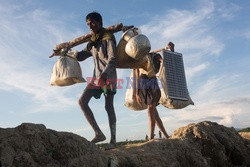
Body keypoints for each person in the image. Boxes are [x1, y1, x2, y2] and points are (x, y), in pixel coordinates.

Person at [54, 12, 117, 147]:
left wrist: (105, 75)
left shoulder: (108, 37)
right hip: (96, 78)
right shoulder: (92, 41)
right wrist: (64, 52)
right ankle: (99, 134)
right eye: (88, 24)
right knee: (82, 101)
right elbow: (81, 56)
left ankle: (113, 140)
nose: (90, 26)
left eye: (93, 23)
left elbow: (112, 59)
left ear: (100, 22)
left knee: (108, 106)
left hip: (108, 77)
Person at [134, 42, 175, 140]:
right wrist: (136, 93)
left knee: (150, 109)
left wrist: (171, 50)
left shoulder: (154, 56)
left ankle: (151, 136)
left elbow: (164, 62)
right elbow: (136, 76)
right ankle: (165, 135)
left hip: (152, 81)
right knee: (154, 113)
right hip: (142, 83)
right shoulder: (136, 59)